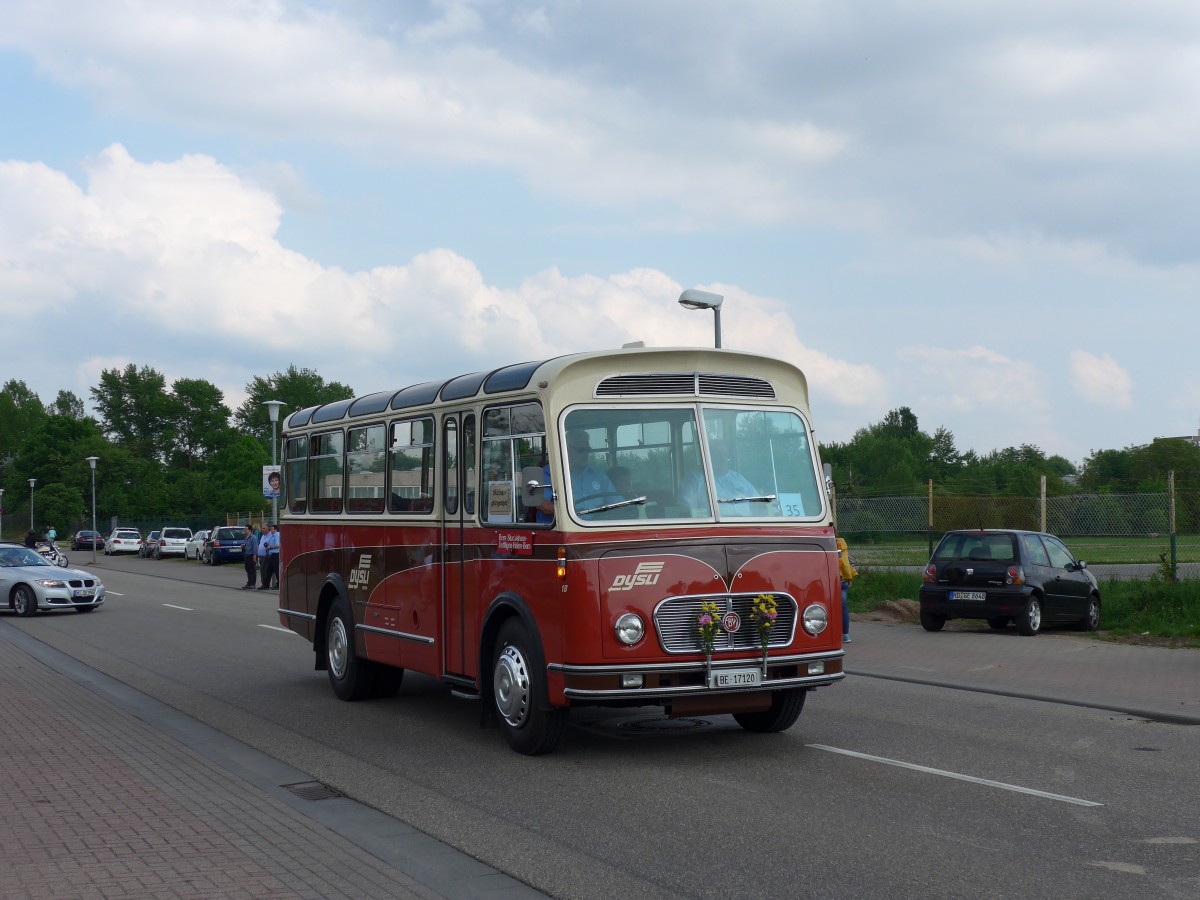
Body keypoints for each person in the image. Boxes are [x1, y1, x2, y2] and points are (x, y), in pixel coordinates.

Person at [537, 430, 617, 522]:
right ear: (566, 450)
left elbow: (616, 502)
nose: (586, 454)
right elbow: (545, 507)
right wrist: (576, 512)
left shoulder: (599, 475)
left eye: (588, 450)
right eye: (581, 450)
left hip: (597, 527)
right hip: (563, 529)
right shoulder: (548, 473)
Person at [682, 442, 758, 514]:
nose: (723, 459)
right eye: (718, 455)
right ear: (708, 456)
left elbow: (758, 502)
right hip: (715, 525)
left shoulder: (737, 478)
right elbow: (686, 510)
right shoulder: (694, 479)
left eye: (725, 455)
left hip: (747, 524)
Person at [837, 536, 858, 643]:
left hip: (832, 580)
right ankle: (846, 635)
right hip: (844, 580)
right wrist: (849, 578)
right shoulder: (843, 545)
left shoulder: (826, 544)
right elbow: (850, 562)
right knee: (843, 608)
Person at [260, 524, 280, 589]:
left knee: (277, 570)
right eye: (270, 529)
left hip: (275, 554)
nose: (271, 530)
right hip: (271, 554)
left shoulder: (277, 535)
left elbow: (278, 545)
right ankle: (266, 584)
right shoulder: (273, 536)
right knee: (268, 570)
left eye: (272, 529)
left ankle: (279, 584)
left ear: (275, 529)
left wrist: (270, 547)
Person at [240, 525, 258, 589]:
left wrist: (254, 555)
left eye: (246, 529)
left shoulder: (253, 537)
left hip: (251, 555)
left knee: (252, 570)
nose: (244, 530)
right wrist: (243, 546)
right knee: (248, 569)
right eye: (244, 529)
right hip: (246, 555)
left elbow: (255, 547)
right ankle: (249, 582)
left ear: (250, 530)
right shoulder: (246, 538)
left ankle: (253, 584)